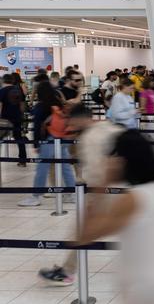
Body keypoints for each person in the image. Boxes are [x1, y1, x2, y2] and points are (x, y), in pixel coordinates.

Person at [75, 130, 154, 304]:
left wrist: (102, 185)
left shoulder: (134, 199)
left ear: (123, 161)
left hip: (145, 288)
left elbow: (85, 235)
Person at [38, 104, 125, 286]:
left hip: (112, 193)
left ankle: (67, 272)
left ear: (79, 119)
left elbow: (98, 174)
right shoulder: (107, 126)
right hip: (134, 188)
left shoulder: (90, 137)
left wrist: (94, 201)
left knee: (82, 230)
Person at [18, 82, 76, 207]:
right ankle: (70, 194)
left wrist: (36, 144)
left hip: (49, 139)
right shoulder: (58, 102)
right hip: (62, 137)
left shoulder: (41, 106)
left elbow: (37, 126)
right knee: (65, 166)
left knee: (42, 168)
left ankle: (36, 196)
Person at [0, 74, 27, 166]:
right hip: (17, 118)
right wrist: (20, 115)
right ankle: (23, 160)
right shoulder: (19, 91)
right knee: (19, 138)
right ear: (12, 81)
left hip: (4, 120)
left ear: (3, 81)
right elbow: (22, 106)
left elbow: (0, 106)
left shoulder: (2, 91)